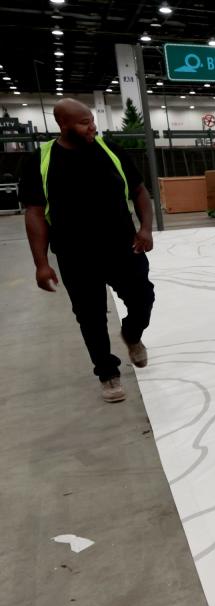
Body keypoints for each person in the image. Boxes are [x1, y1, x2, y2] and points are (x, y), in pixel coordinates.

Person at [19, 98, 155, 403]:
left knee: (143, 297)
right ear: (63, 125)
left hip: (123, 246)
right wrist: (41, 263)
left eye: (92, 120)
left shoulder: (110, 150)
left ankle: (132, 335)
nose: (92, 126)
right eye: (84, 122)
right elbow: (35, 213)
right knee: (90, 316)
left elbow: (139, 191)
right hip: (75, 254)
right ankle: (108, 373)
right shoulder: (40, 160)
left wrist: (145, 228)